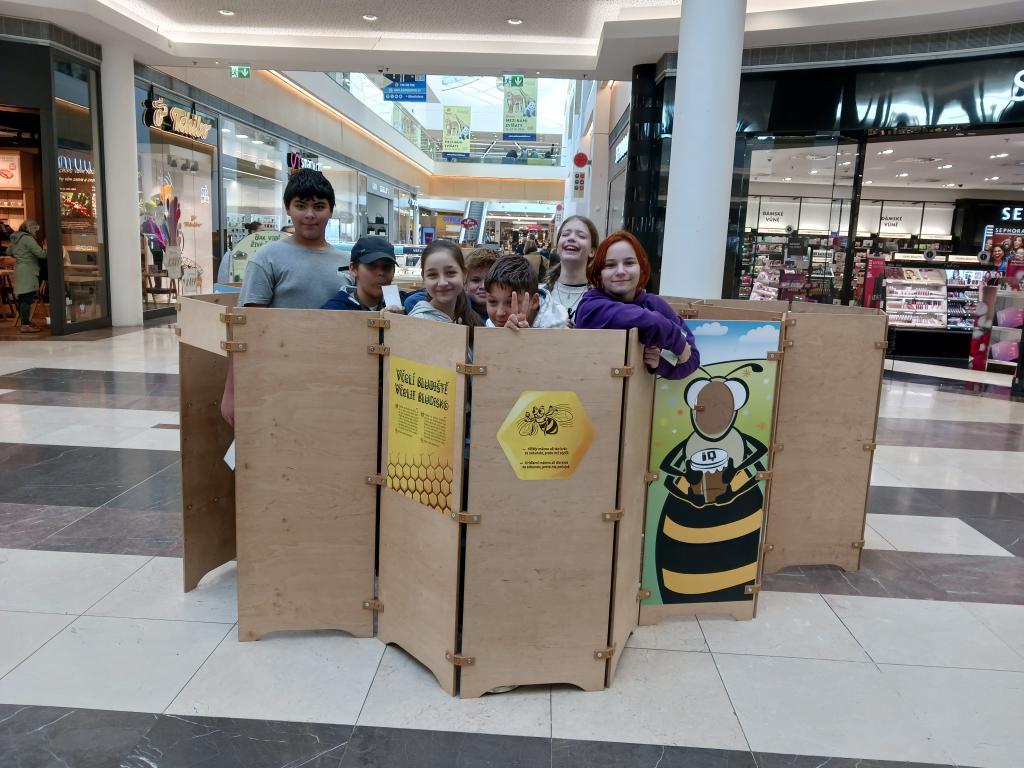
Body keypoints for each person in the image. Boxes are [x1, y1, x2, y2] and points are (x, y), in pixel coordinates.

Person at [221, 169, 344, 424]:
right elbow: (245, 330)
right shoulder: (266, 258)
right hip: (276, 378)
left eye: (319, 206)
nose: (309, 215)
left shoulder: (347, 264)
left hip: (333, 382)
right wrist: (232, 392)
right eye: (301, 206)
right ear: (288, 208)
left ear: (331, 210)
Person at [575, 230, 699, 380]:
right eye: (610, 265)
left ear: (641, 267)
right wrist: (677, 341)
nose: (620, 271)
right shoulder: (590, 307)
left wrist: (659, 363)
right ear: (599, 273)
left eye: (629, 263)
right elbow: (649, 322)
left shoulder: (655, 304)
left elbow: (692, 359)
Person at [407, 240, 483, 325]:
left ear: (464, 275)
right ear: (423, 278)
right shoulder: (418, 323)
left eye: (450, 272)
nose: (442, 283)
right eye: (432, 274)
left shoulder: (467, 318)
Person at [321, 236, 404, 311]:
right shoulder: (333, 311)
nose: (381, 273)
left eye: (387, 267)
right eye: (372, 266)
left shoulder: (404, 303)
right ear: (353, 269)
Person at [484, 255, 568, 330]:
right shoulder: (491, 325)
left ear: (534, 301)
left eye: (511, 302)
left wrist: (526, 336)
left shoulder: (556, 327)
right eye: (492, 301)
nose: (500, 313)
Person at [545, 215, 599, 326]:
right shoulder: (542, 295)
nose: (571, 238)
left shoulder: (600, 298)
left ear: (592, 251)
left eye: (581, 236)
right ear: (557, 248)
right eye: (565, 234)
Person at [10, 220, 46, 334]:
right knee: (27, 299)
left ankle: (25, 322)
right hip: (28, 270)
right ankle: (25, 325)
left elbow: (9, 251)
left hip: (19, 269)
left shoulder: (16, 238)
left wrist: (20, 256)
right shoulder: (28, 238)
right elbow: (41, 254)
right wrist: (47, 249)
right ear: (30, 228)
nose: (36, 232)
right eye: (35, 229)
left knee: (22, 298)